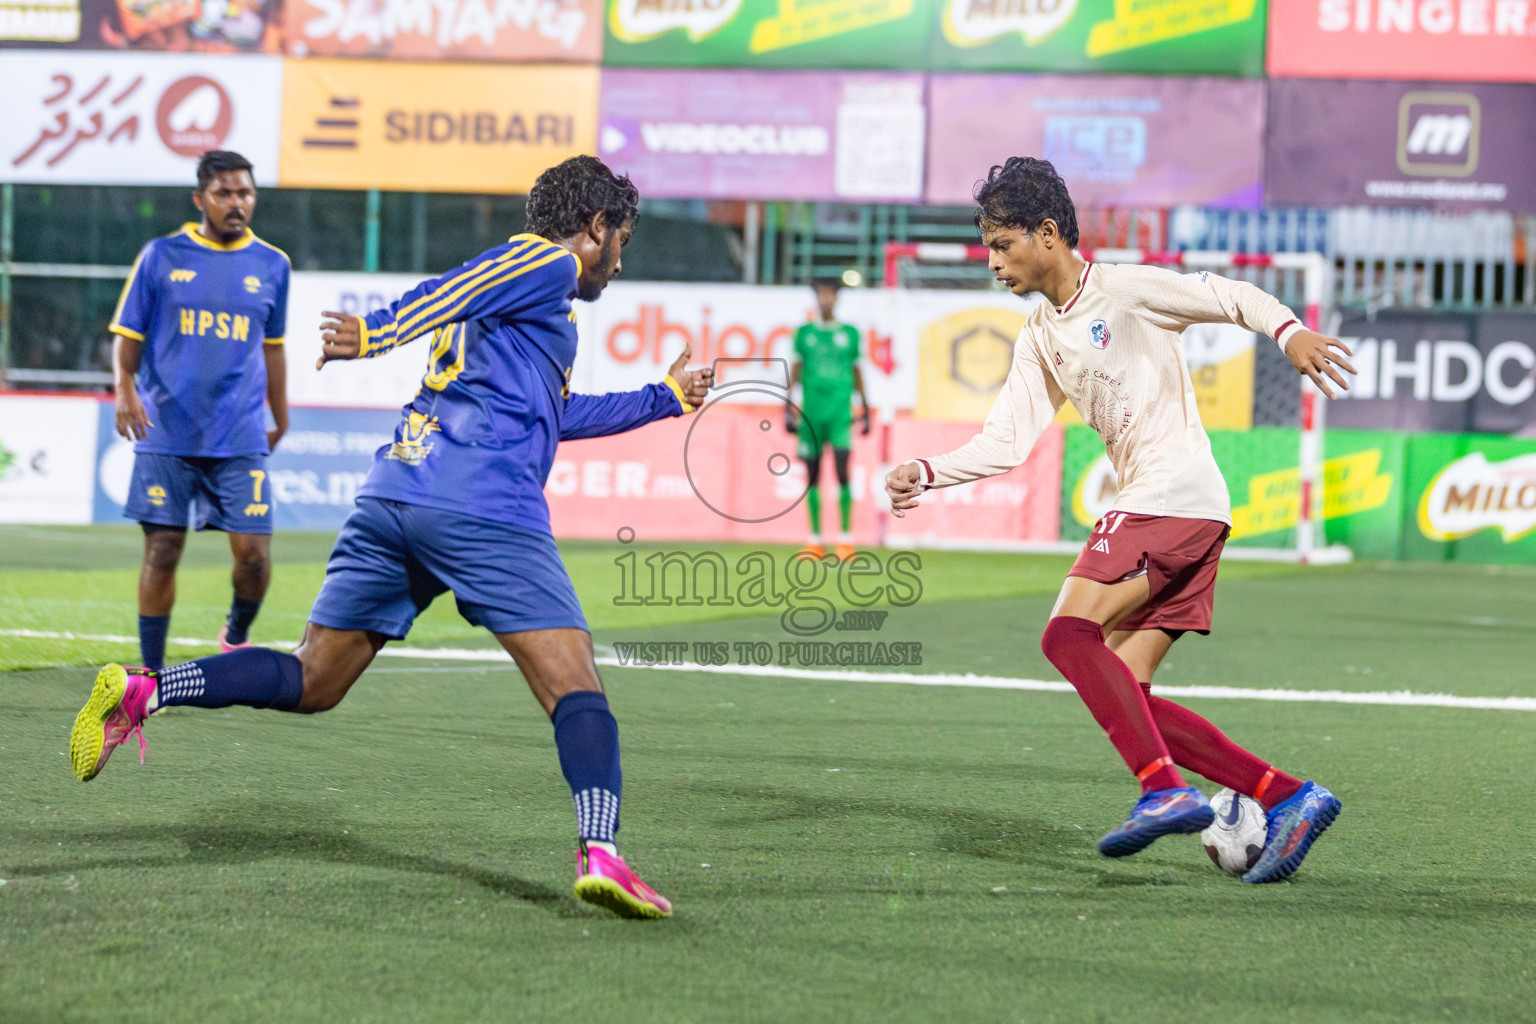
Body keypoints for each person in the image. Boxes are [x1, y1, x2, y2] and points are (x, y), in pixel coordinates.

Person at [71, 155, 714, 920]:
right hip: (482, 506)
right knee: (577, 688)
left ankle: (146, 691)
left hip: (396, 498)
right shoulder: (542, 260)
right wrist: (374, 333)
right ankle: (602, 852)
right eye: (622, 239)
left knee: (315, 680)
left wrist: (664, 398)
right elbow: (456, 286)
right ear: (596, 227)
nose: (620, 259)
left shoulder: (536, 313)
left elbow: (556, 416)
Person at [885, 157, 1351, 884]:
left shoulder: (1125, 290)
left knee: (1065, 634)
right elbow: (1005, 442)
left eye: (1002, 244)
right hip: (1191, 513)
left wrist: (1289, 333)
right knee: (1125, 689)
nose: (993, 261)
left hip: (1169, 497)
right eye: (987, 247)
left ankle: (1162, 790)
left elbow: (1226, 294)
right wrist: (928, 472)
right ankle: (1286, 795)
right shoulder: (1041, 334)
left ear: (1047, 233)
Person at [110, 150, 291, 669]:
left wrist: (282, 416)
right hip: (166, 428)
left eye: (246, 193)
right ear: (200, 199)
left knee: (254, 558)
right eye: (225, 193)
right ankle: (150, 673)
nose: (238, 203)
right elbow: (128, 335)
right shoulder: (161, 255)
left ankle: (235, 631)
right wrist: (125, 387)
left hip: (238, 432)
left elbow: (273, 347)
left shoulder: (273, 265)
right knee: (163, 549)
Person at [786, 279, 870, 561]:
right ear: (815, 299)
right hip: (810, 414)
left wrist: (866, 408)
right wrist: (787, 406)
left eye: (829, 295)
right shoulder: (804, 334)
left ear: (836, 299)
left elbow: (858, 371)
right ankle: (815, 541)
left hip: (840, 414)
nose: (825, 300)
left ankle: (846, 539)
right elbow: (796, 370)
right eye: (820, 295)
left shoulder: (850, 333)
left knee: (843, 471)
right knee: (812, 476)